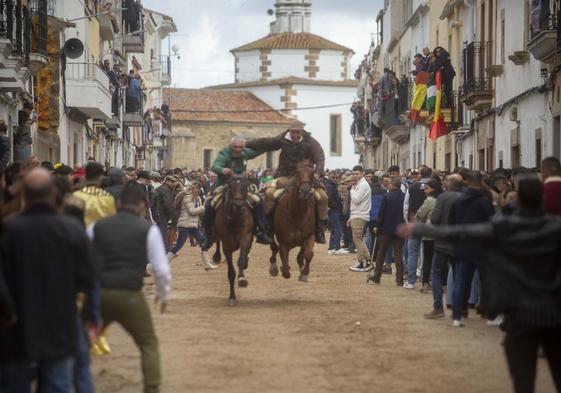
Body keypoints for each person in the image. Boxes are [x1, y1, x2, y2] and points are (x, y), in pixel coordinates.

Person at [398, 174, 561, 393]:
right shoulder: (555, 227)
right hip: (553, 312)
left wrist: (421, 229)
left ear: (518, 200)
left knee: (523, 380)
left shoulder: (505, 226)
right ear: (542, 200)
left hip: (520, 312)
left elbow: (464, 232)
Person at [0, 168, 96, 392]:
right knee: (58, 385)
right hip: (59, 324)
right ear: (54, 194)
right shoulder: (71, 229)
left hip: (16, 327)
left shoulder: (8, 229)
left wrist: (8, 312)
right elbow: (88, 278)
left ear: (24, 194)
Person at [87, 182, 170, 393]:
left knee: (78, 342)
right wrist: (162, 295)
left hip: (99, 294)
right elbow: (161, 269)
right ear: (143, 205)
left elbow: (83, 260)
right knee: (148, 343)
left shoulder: (97, 226)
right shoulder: (148, 230)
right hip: (130, 294)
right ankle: (151, 388)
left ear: (117, 203)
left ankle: (69, 382)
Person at [245, 122, 328, 243]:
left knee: (323, 198)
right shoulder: (282, 139)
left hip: (305, 177)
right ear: (289, 131)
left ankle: (319, 229)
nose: (295, 134)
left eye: (297, 132)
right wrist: (246, 143)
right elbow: (267, 143)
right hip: (284, 176)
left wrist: (317, 172)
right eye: (293, 132)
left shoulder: (311, 142)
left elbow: (320, 157)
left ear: (302, 132)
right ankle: (267, 227)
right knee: (269, 194)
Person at [201, 136, 272, 249]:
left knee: (258, 201)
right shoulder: (224, 153)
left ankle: (262, 231)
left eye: (240, 147)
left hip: (242, 187)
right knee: (209, 205)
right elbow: (215, 165)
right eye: (235, 147)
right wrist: (222, 170)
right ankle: (208, 236)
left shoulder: (245, 153)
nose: (238, 149)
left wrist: (269, 146)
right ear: (231, 146)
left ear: (243, 147)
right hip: (224, 186)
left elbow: (257, 152)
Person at [448, 170, 495, 327]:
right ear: (481, 183)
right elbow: (492, 224)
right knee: (487, 281)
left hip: (462, 246)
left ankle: (457, 315)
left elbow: (451, 224)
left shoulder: (458, 201)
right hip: (482, 247)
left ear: (467, 182)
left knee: (460, 281)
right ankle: (490, 315)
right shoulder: (484, 201)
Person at [424, 174, 464, 319]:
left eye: (447, 181)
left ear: (450, 184)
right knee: (459, 276)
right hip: (459, 242)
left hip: (442, 242)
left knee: (437, 274)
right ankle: (459, 310)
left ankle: (438, 307)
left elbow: (434, 218)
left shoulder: (443, 198)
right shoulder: (465, 198)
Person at [168, 181, 217, 270]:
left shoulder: (197, 198)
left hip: (193, 225)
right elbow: (192, 211)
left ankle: (207, 264)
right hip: (185, 225)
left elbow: (199, 212)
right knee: (178, 245)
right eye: (198, 189)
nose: (199, 191)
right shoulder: (187, 197)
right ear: (194, 188)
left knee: (203, 242)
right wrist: (204, 208)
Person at [367, 176, 405, 285]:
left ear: (392, 185)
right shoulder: (404, 197)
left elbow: (381, 214)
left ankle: (377, 277)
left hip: (386, 229)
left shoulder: (387, 197)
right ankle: (399, 280)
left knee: (381, 253)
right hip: (399, 228)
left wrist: (377, 227)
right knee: (398, 254)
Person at [403, 166, 432, 288]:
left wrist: (407, 221)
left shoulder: (412, 187)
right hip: (428, 224)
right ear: (430, 175)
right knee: (427, 253)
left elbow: (405, 205)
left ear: (420, 175)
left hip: (414, 223)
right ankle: (426, 280)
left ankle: (410, 281)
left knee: (412, 253)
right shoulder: (434, 186)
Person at [416, 179, 442, 293]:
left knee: (427, 258)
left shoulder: (429, 200)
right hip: (441, 232)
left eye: (427, 188)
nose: (425, 190)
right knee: (440, 260)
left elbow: (420, 214)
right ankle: (441, 284)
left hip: (429, 231)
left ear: (433, 189)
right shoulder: (442, 198)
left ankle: (425, 282)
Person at [73, 161, 117, 227]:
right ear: (101, 177)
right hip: (100, 234)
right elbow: (111, 222)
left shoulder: (75, 196)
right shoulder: (108, 198)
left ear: (85, 176)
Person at [347, 166, 372, 272]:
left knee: (357, 240)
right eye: (354, 173)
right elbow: (356, 203)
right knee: (359, 240)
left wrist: (352, 190)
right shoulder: (360, 184)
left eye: (357, 173)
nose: (355, 175)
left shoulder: (362, 185)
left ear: (362, 173)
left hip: (360, 215)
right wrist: (351, 217)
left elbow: (356, 200)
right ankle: (368, 262)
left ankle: (361, 262)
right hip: (358, 214)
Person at [155, 175, 179, 251]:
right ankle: (165, 250)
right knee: (163, 232)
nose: (173, 184)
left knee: (161, 232)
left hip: (159, 213)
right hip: (162, 214)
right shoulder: (165, 190)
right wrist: (173, 215)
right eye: (172, 182)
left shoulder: (162, 188)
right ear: (167, 181)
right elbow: (168, 204)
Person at [324, 171, 346, 255]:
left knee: (334, 230)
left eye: (337, 177)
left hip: (334, 210)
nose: (336, 179)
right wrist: (335, 207)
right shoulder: (329, 186)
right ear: (329, 177)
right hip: (333, 211)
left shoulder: (332, 186)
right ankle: (337, 248)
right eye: (333, 177)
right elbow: (329, 199)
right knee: (338, 229)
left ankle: (331, 248)